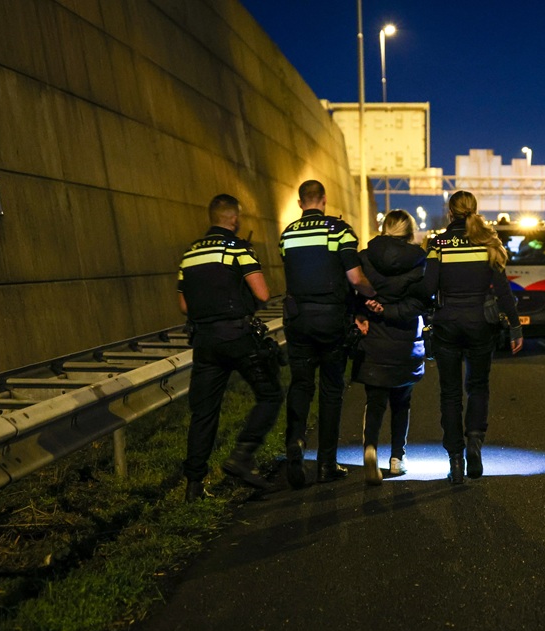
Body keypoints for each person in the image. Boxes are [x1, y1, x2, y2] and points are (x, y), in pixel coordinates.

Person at [179, 194, 284, 501]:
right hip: (238, 337)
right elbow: (262, 293)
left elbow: (184, 305)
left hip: (204, 341)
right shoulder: (239, 248)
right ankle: (242, 456)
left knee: (204, 412)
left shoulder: (189, 254)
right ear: (234, 219)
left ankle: (194, 485)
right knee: (270, 394)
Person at [279, 180, 379, 488]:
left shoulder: (288, 234)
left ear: (300, 203)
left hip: (296, 319)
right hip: (330, 318)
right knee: (332, 389)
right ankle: (326, 464)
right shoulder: (339, 232)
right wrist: (373, 296)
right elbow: (355, 277)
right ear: (323, 200)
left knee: (300, 384)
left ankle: (295, 441)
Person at [424, 191, 523, 484]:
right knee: (478, 386)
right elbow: (503, 291)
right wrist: (515, 327)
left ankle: (455, 458)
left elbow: (428, 286)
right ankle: (474, 446)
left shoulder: (438, 244)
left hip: (447, 324)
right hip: (481, 323)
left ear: (449, 213)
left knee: (450, 393)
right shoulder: (488, 242)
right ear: (474, 210)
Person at [351, 210, 429, 484]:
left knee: (375, 401)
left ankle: (370, 448)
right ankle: (397, 458)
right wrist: (391, 310)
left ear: (384, 229)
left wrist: (366, 309)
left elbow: (354, 290)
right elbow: (420, 303)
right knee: (401, 402)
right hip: (405, 339)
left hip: (374, 337)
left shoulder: (365, 256)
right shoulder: (420, 261)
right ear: (410, 232)